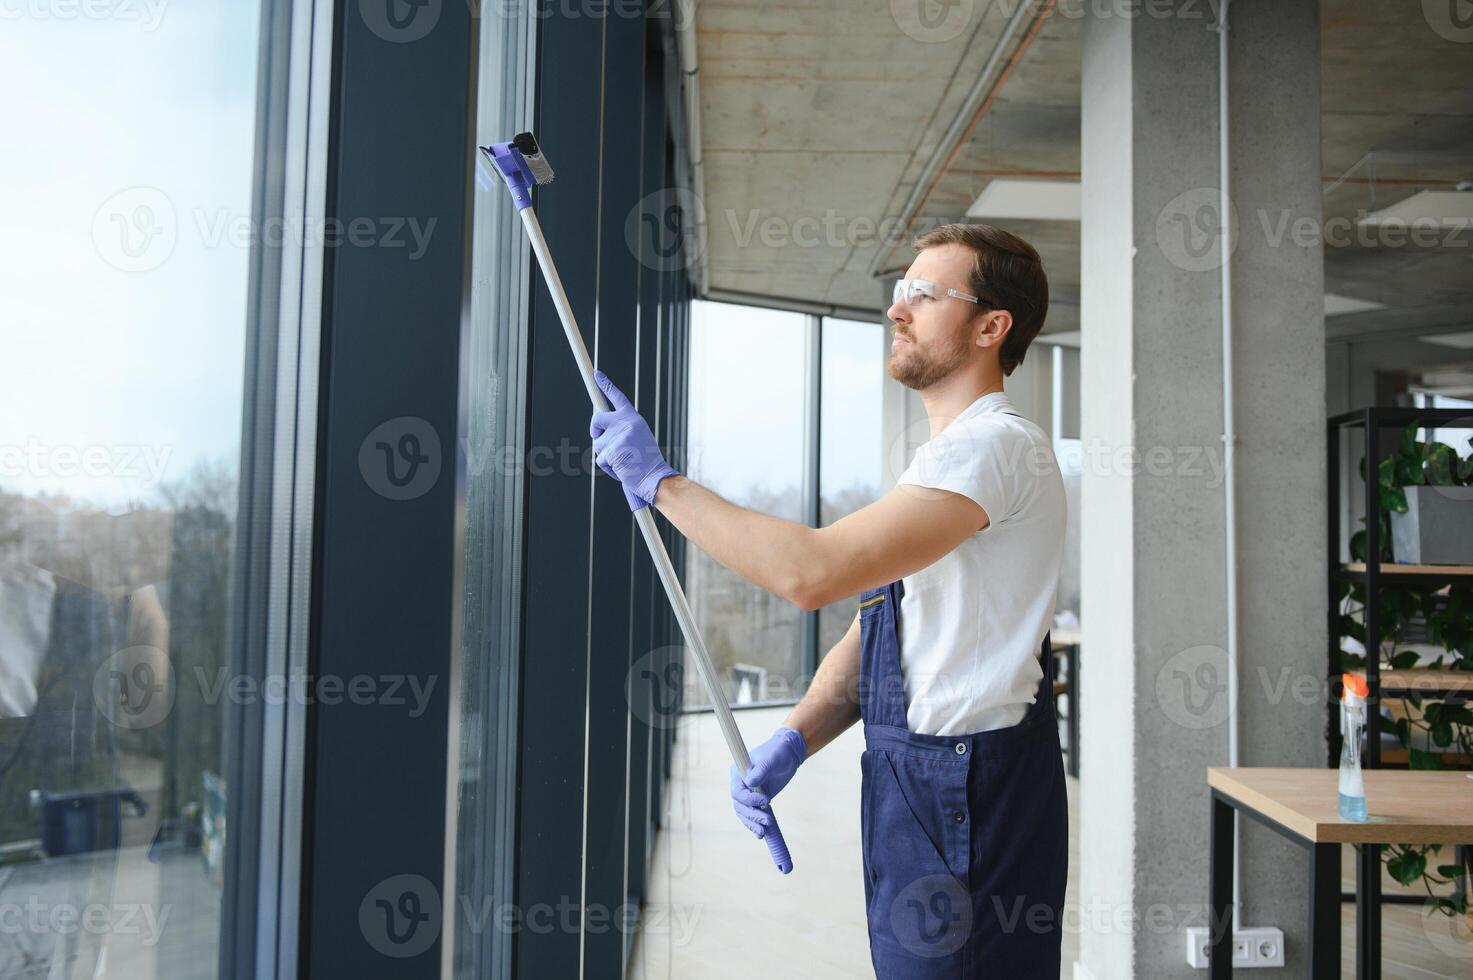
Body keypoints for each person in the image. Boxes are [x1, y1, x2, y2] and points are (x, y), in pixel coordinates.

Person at [589, 222, 1067, 976]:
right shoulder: (946, 457)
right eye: (899, 291)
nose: (896, 310)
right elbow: (885, 623)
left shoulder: (993, 447)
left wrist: (661, 485)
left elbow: (811, 574)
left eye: (923, 293)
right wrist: (797, 737)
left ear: (990, 326)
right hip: (924, 790)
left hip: (966, 796)